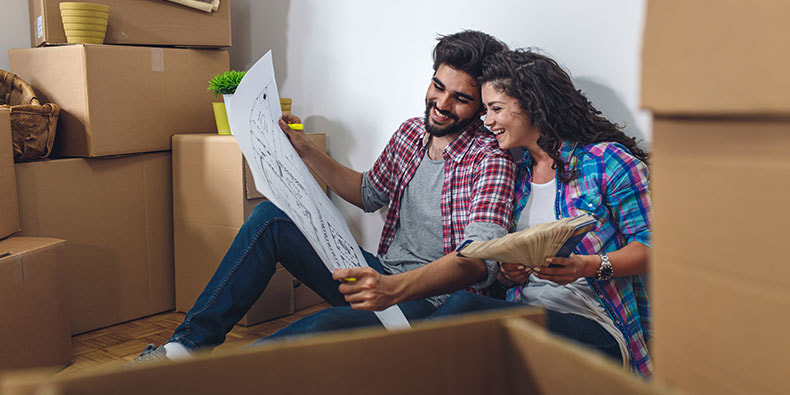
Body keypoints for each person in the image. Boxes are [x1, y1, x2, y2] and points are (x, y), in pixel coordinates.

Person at [132, 30, 515, 363]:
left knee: (314, 329)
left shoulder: (491, 160)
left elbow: (478, 264)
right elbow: (368, 193)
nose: (442, 103)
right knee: (271, 218)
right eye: (438, 86)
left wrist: (393, 289)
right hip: (379, 278)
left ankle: (205, 381)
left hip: (430, 304)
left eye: (460, 98)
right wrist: (305, 150)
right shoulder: (412, 133)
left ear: (481, 106)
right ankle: (182, 350)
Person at [430, 49, 653, 377]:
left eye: (495, 109)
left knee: (464, 309)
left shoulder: (606, 162)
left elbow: (652, 246)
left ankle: (386, 364)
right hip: (526, 314)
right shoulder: (517, 177)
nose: (487, 120)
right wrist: (509, 274)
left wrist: (587, 266)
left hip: (597, 326)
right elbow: (507, 268)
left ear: (532, 105)